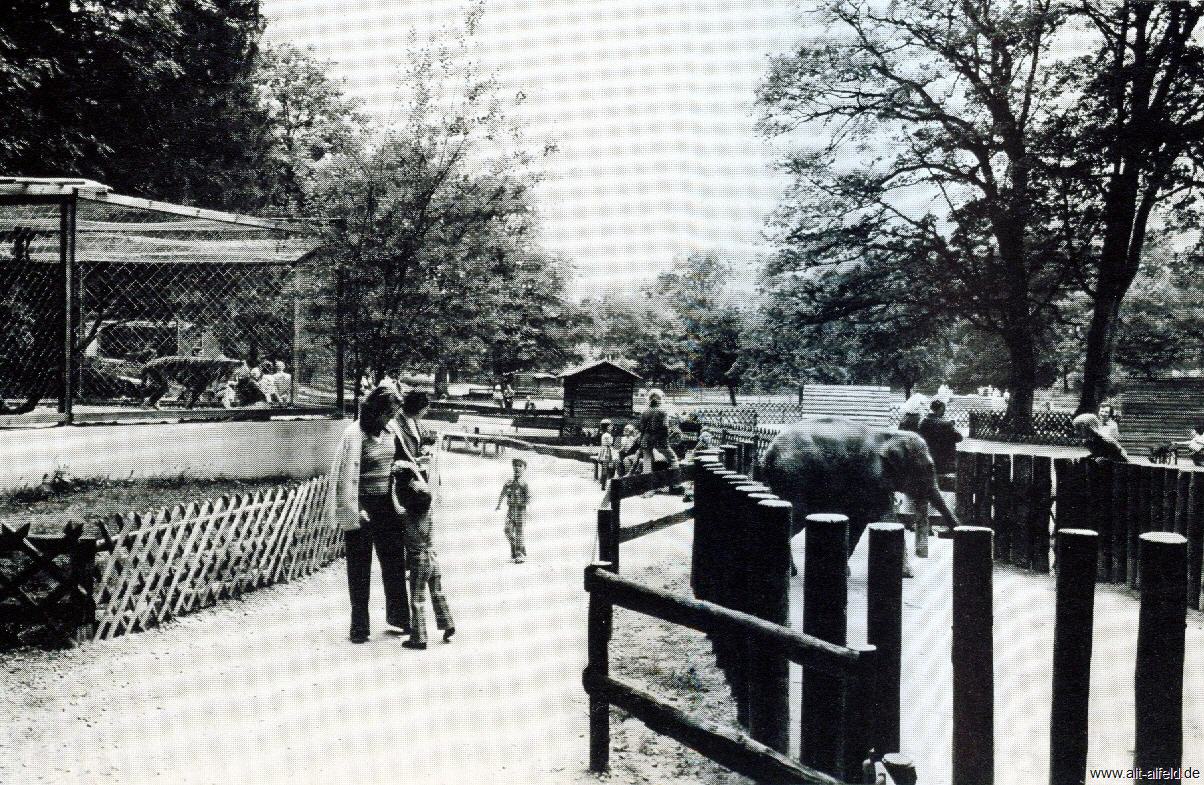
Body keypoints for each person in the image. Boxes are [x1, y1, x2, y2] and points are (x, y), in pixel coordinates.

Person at [326, 386, 411, 644]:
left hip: (388, 505)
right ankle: (359, 626)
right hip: (362, 506)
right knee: (359, 568)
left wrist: (408, 469)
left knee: (394, 563)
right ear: (375, 411)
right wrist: (356, 508)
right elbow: (343, 475)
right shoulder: (354, 434)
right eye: (387, 414)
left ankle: (399, 617)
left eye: (394, 414)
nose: (390, 420)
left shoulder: (392, 431)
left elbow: (405, 460)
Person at [394, 389, 454, 649]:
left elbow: (399, 507)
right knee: (436, 587)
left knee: (417, 595)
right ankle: (447, 621)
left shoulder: (408, 506)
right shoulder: (426, 503)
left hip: (418, 556)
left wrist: (398, 486)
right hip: (432, 553)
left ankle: (419, 637)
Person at [638, 389, 682, 496]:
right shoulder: (663, 412)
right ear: (660, 399)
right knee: (673, 459)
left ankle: (647, 489)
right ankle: (676, 484)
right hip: (659, 438)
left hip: (646, 439)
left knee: (647, 463)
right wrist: (666, 439)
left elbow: (642, 428)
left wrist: (642, 439)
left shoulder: (644, 412)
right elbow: (665, 428)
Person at [918, 398, 964, 477]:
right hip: (944, 464)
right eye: (944, 409)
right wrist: (951, 425)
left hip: (927, 460)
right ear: (940, 409)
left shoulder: (922, 423)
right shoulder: (945, 424)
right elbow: (959, 437)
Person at [496, 457, 530, 562]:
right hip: (510, 510)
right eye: (515, 465)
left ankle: (519, 555)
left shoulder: (524, 484)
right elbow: (503, 492)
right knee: (507, 530)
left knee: (519, 532)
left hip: (520, 511)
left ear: (524, 468)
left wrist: (520, 502)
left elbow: (528, 499)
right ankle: (518, 548)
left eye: (520, 466)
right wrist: (499, 504)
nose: (517, 468)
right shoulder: (509, 482)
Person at [597, 420, 615, 489]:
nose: (612, 427)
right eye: (610, 426)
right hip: (606, 452)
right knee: (606, 468)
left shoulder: (604, 435)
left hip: (604, 451)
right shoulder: (608, 435)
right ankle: (604, 484)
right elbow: (610, 443)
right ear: (607, 427)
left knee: (605, 468)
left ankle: (603, 483)